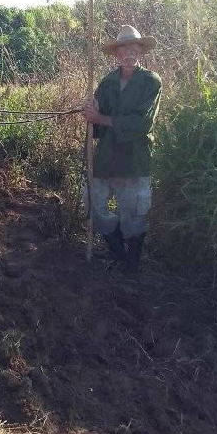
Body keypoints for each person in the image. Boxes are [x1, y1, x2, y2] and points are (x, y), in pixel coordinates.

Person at [82, 25, 162, 276]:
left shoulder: (151, 82)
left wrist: (101, 118)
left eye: (134, 47)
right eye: (124, 48)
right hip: (106, 158)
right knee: (93, 206)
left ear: (141, 51)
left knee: (134, 216)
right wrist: (89, 112)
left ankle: (132, 267)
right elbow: (94, 125)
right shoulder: (106, 83)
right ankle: (118, 253)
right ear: (117, 53)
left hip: (135, 160)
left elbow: (142, 123)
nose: (129, 52)